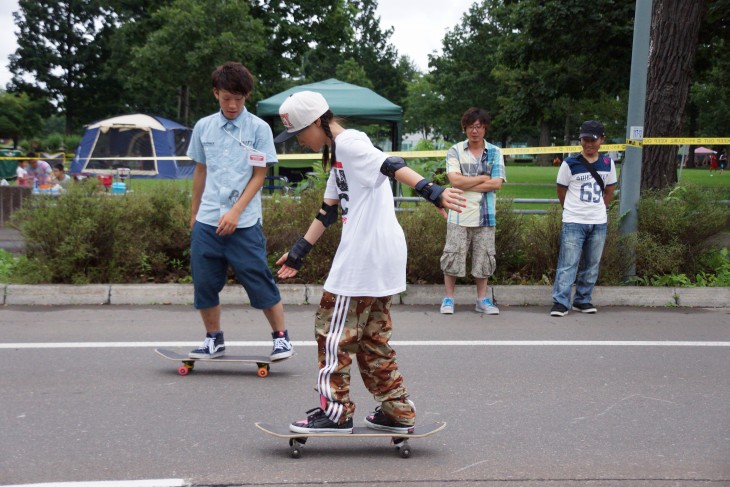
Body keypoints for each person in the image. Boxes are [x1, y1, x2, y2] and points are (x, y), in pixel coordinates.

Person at [274, 91, 466, 434]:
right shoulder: (338, 154)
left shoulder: (348, 143)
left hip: (363, 257)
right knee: (372, 338)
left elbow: (389, 163)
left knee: (332, 333)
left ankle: (335, 413)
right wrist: (300, 250)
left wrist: (430, 190)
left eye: (300, 133)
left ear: (319, 122)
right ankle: (397, 410)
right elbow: (329, 209)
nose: (300, 142)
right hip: (381, 255)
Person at [186, 61, 294, 361]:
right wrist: (194, 215)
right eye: (226, 98)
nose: (232, 105)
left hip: (244, 222)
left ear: (246, 96)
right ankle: (213, 339)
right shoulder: (203, 127)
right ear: (215, 93)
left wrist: (234, 212)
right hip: (207, 220)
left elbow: (259, 176)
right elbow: (199, 171)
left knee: (258, 279)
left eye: (239, 99)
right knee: (204, 283)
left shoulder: (258, 128)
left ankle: (281, 338)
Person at [439, 107, 506, 316]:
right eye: (470, 127)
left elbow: (496, 184)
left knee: (484, 258)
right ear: (465, 129)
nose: (474, 131)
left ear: (484, 128)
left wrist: (467, 184)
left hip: (486, 215)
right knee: (452, 256)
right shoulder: (455, 150)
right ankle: (448, 298)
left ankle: (482, 299)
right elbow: (454, 180)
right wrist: (482, 178)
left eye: (478, 126)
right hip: (458, 212)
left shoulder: (495, 152)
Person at [550, 120, 617, 317]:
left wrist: (600, 207)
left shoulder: (607, 163)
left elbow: (610, 189)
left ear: (602, 140)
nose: (588, 144)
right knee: (568, 263)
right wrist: (570, 209)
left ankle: (583, 299)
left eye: (592, 140)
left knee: (592, 263)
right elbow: (561, 190)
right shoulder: (569, 164)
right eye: (584, 140)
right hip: (574, 221)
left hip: (598, 221)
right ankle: (561, 301)